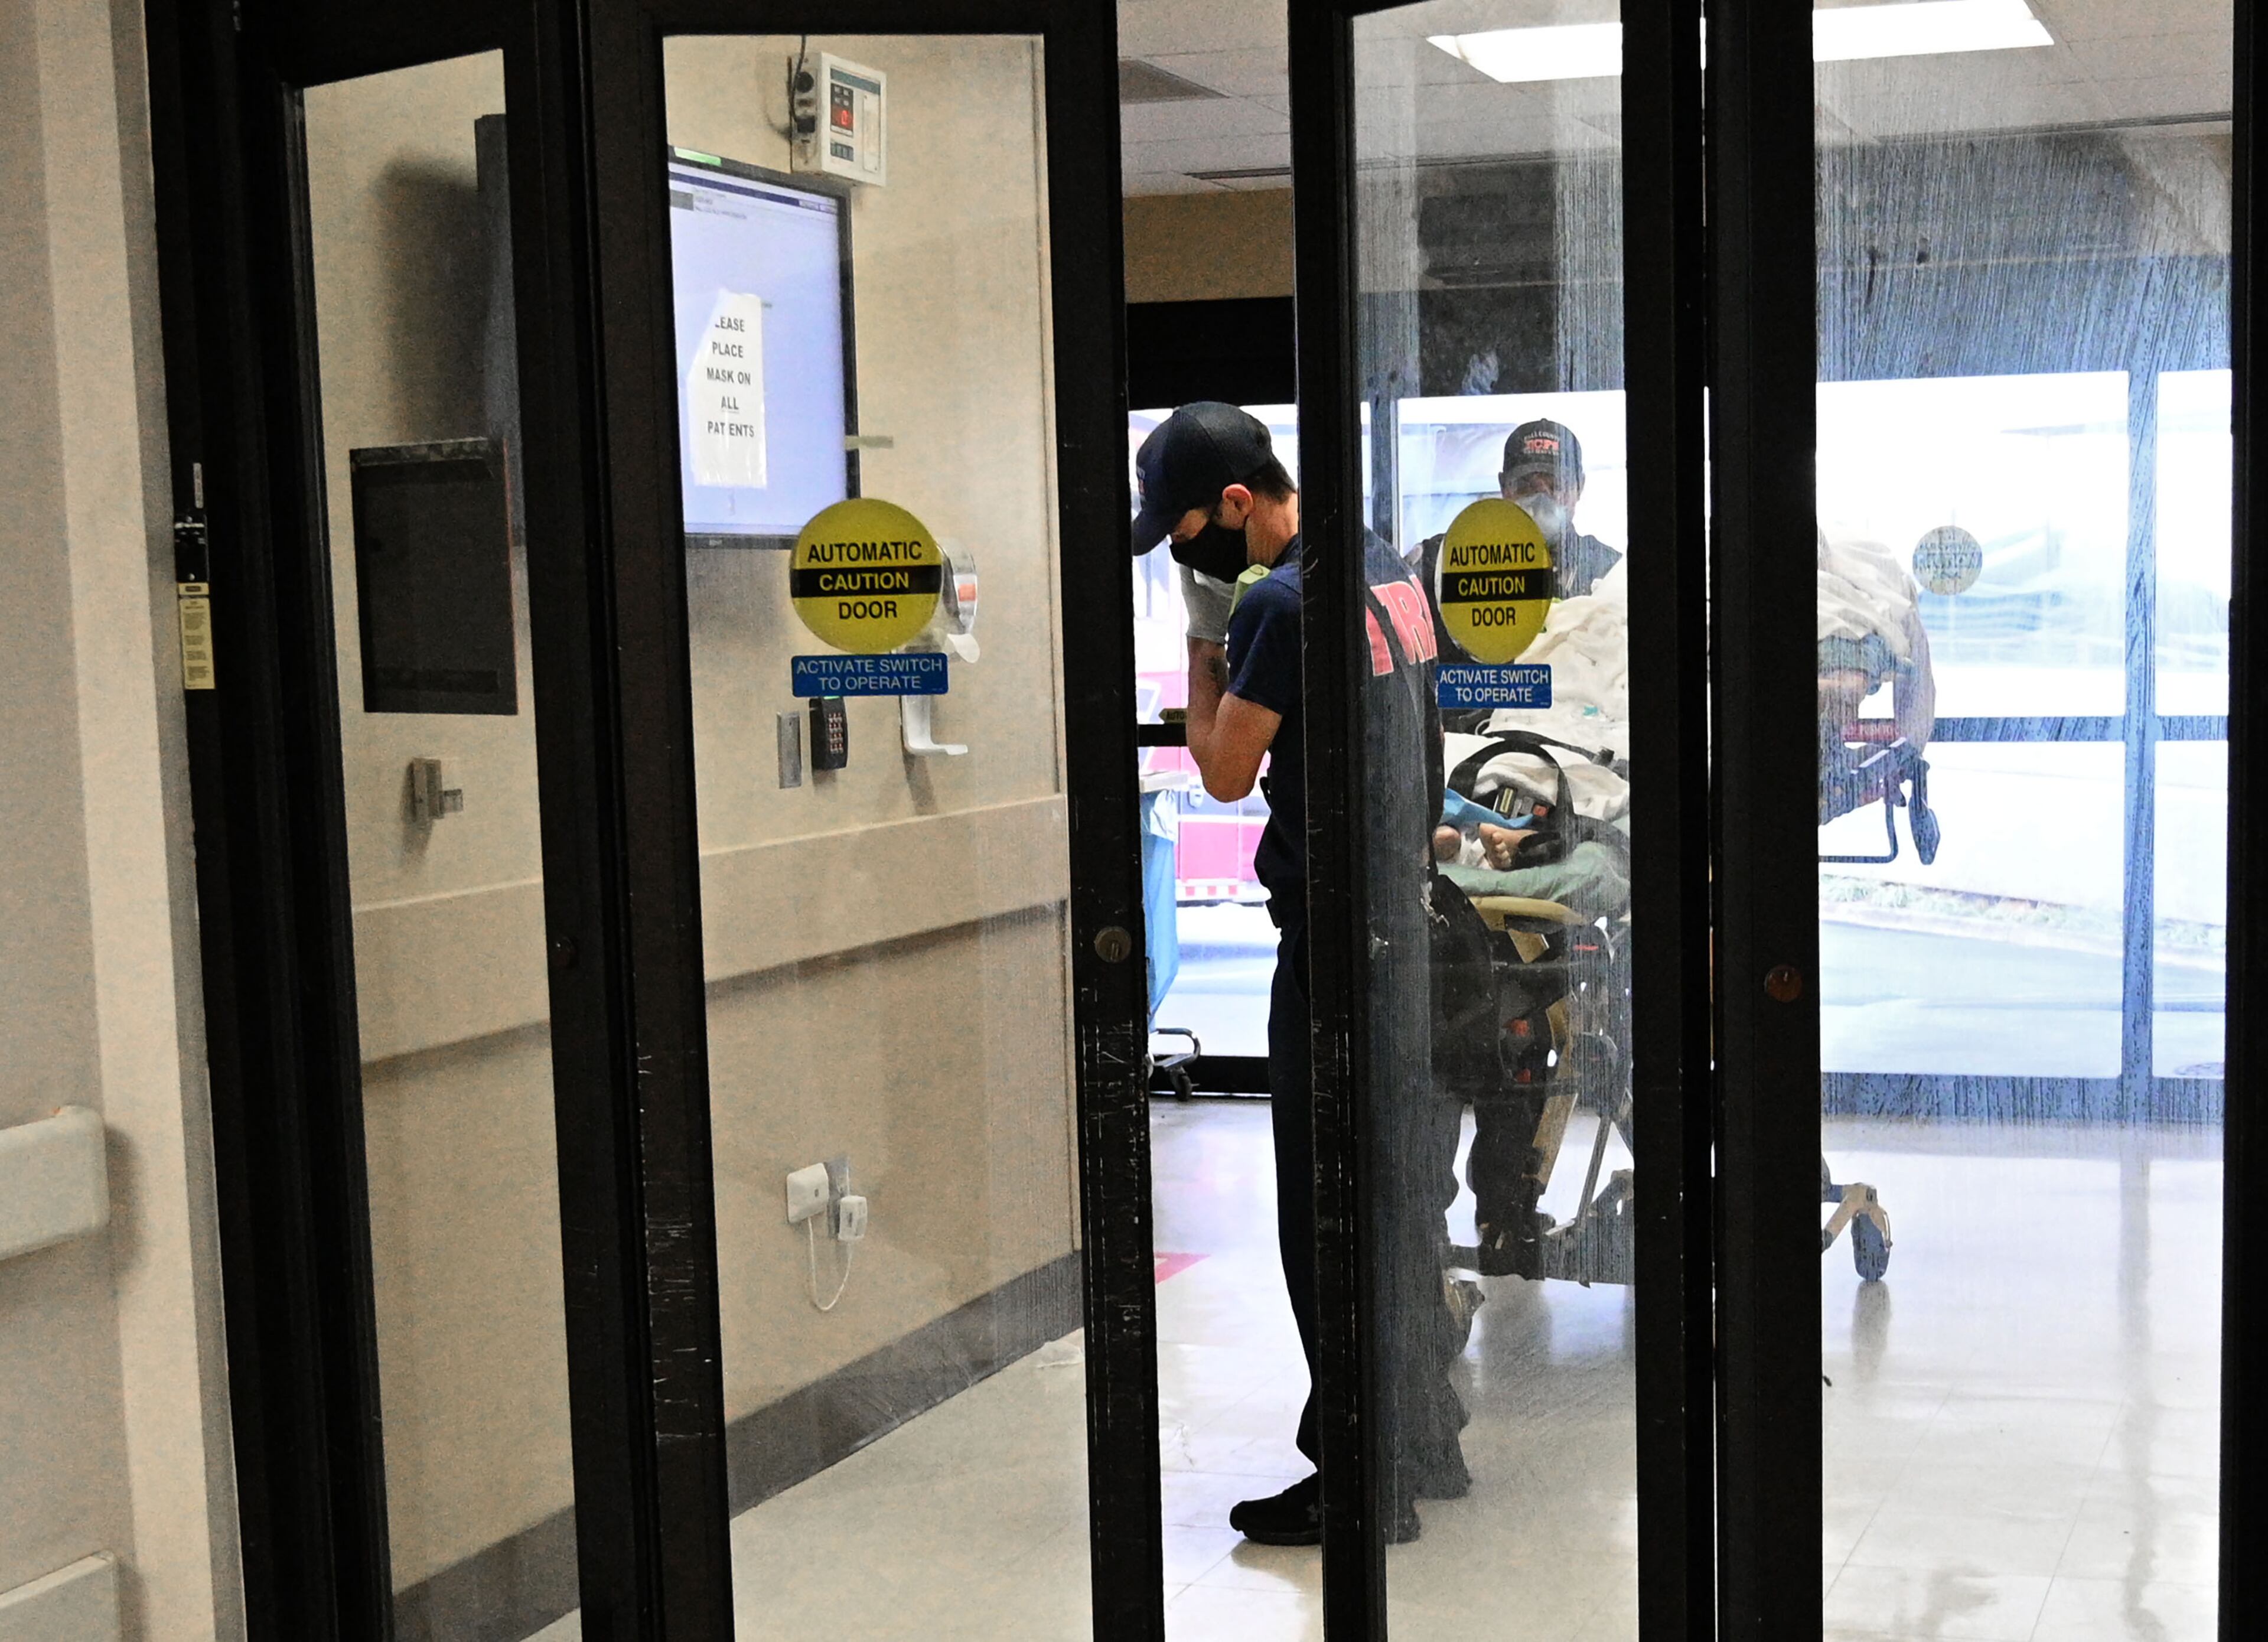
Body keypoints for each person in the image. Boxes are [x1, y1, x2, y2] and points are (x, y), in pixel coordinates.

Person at [1130, 402, 1467, 1547]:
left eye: (1185, 534)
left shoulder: (1277, 601)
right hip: (1405, 930)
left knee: (1326, 1217)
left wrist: (1200, 642)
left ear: (1237, 504)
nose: (1185, 555)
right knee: (1402, 1203)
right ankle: (1429, 1438)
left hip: (1332, 945)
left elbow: (1224, 770)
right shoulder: (1384, 574)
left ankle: (1360, 1479)